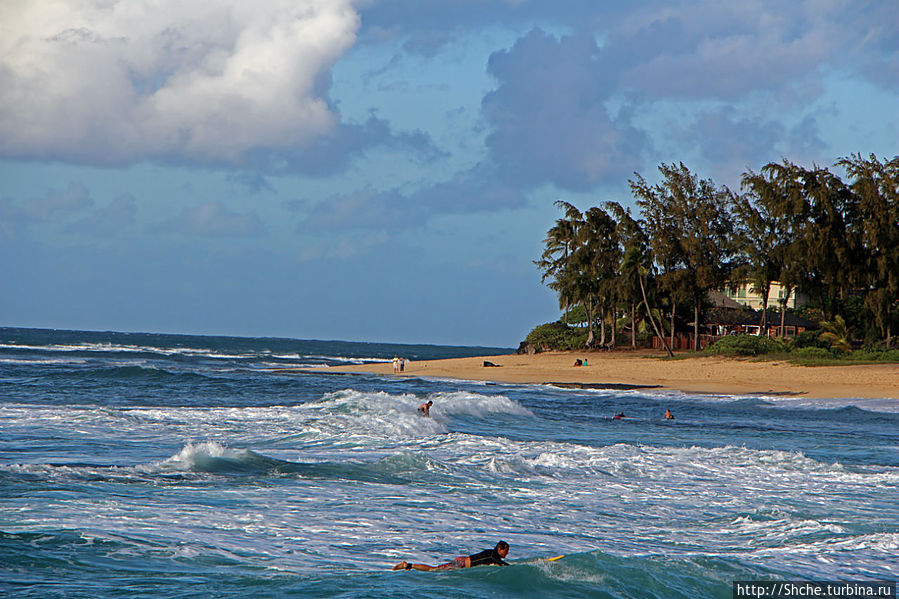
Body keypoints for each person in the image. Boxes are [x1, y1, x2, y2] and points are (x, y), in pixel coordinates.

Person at [393, 541, 510, 571]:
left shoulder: (491, 553)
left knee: (434, 569)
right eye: (506, 551)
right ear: (500, 549)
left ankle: (409, 565)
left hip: (462, 562)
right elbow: (502, 565)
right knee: (432, 569)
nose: (507, 553)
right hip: (461, 564)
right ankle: (408, 565)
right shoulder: (492, 555)